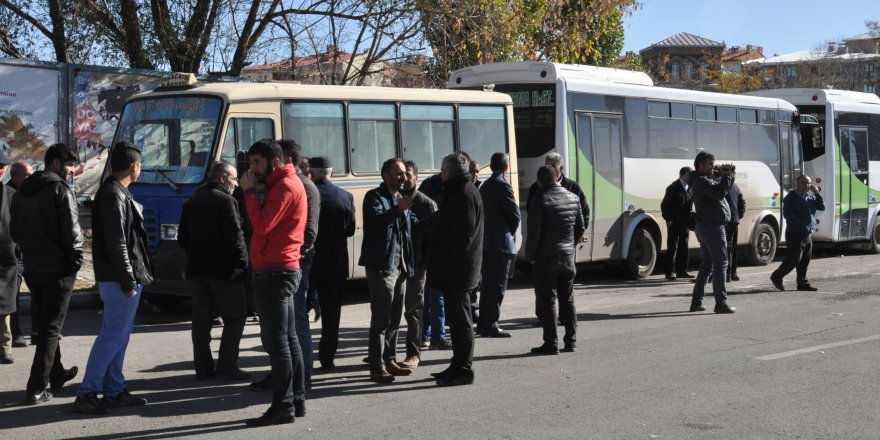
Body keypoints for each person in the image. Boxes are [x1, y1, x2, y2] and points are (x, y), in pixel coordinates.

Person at [74, 142, 154, 414]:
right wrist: (128, 280)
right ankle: (87, 392)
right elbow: (118, 243)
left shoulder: (116, 191)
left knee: (119, 337)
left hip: (122, 277)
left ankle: (114, 389)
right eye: (140, 164)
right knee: (112, 337)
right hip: (119, 279)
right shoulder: (113, 195)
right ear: (134, 166)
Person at [240, 139, 307, 426]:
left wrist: (249, 194)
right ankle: (296, 399)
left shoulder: (285, 185)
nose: (253, 169)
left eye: (257, 163)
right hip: (280, 268)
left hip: (276, 271)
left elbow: (263, 224)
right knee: (288, 340)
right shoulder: (282, 182)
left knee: (278, 343)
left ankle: (283, 406)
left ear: (275, 162)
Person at [11, 144, 81, 405]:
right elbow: (73, 233)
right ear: (55, 163)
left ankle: (56, 372)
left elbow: (15, 231)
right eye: (70, 166)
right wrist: (74, 263)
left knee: (46, 324)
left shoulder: (21, 193)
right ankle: (37, 387)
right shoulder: (59, 189)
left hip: (33, 267)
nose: (72, 171)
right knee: (51, 328)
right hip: (57, 269)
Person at [178, 161, 249, 381]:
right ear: (222, 178)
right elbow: (236, 239)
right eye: (234, 179)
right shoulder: (227, 202)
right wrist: (244, 264)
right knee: (236, 317)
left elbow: (182, 238)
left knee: (201, 322)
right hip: (224, 272)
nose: (236, 184)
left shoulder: (193, 200)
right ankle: (227, 365)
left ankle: (203, 368)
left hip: (198, 270)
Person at [428, 152, 484, 387]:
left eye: (442, 171)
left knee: (461, 321)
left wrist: (442, 246)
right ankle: (457, 364)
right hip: (455, 268)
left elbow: (463, 235)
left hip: (459, 269)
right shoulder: (458, 191)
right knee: (456, 319)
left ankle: (464, 369)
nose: (441, 175)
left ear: (449, 172)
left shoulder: (464, 193)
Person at [360, 158, 416, 383]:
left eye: (404, 173)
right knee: (381, 320)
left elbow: (408, 229)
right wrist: (397, 210)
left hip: (400, 266)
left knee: (394, 319)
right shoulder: (374, 197)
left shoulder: (400, 198)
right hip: (382, 266)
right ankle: (377, 367)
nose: (403, 177)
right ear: (386, 176)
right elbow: (375, 224)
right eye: (398, 173)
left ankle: (390, 360)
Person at [525, 165, 584, 355]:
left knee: (548, 300)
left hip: (546, 258)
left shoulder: (539, 199)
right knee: (568, 300)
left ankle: (551, 343)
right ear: (557, 177)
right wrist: (569, 245)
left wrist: (530, 256)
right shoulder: (573, 197)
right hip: (567, 257)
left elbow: (534, 233)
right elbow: (580, 227)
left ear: (539, 180)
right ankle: (571, 341)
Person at [308, 156, 355, 371]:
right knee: (331, 315)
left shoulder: (308, 195)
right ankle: (327, 358)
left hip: (309, 262)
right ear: (332, 173)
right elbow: (350, 230)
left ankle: (301, 358)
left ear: (312, 173)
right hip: (336, 264)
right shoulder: (345, 196)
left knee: (298, 312)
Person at [477, 152, 520, 338]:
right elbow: (514, 215)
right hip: (501, 244)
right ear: (506, 167)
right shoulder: (503, 186)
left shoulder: (485, 185)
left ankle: (484, 324)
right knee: (497, 286)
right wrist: (510, 231)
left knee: (487, 285)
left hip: (487, 243)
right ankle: (491, 324)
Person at [399, 160, 437, 369]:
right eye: (401, 174)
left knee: (413, 310)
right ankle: (386, 354)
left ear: (416, 177)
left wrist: (423, 263)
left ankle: (413, 354)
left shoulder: (426, 205)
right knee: (390, 311)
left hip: (417, 264)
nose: (404, 179)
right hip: (394, 263)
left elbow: (434, 240)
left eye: (408, 175)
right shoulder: (392, 199)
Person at [689, 151, 736, 314]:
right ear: (700, 165)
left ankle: (696, 302)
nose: (712, 168)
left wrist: (729, 177)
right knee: (721, 264)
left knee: (707, 266)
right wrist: (726, 176)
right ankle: (721, 303)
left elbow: (720, 190)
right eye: (710, 165)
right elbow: (718, 193)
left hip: (706, 226)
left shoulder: (702, 179)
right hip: (712, 227)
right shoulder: (701, 181)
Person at [771, 175, 825, 292]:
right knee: (794, 259)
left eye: (809, 183)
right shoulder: (790, 198)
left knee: (805, 259)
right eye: (804, 183)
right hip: (795, 233)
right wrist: (801, 225)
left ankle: (802, 283)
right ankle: (777, 276)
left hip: (807, 233)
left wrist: (817, 194)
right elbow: (788, 215)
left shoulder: (810, 197)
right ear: (798, 184)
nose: (807, 186)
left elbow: (822, 207)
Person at [7, 161, 32, 349]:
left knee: (39, 292)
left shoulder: (31, 192)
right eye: (28, 175)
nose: (31, 178)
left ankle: (39, 331)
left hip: (31, 252)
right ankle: (15, 333)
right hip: (14, 254)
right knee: (12, 295)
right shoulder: (7, 194)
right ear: (15, 176)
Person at [0, 153, 19, 364]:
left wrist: (17, 251)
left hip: (6, 258)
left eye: (2, 167)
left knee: (4, 306)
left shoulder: (12, 195)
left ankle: (5, 348)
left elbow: (20, 225)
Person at [661, 166, 694, 281]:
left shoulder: (690, 188)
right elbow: (664, 206)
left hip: (685, 222)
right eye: (689, 175)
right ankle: (669, 272)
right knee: (672, 246)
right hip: (674, 222)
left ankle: (682, 271)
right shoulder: (673, 187)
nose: (690, 177)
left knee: (683, 246)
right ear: (682, 175)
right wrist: (669, 220)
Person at [725, 181, 746, 282]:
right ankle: (732, 273)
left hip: (725, 221)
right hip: (734, 220)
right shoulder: (735, 186)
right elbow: (742, 203)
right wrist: (738, 216)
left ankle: (727, 274)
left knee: (726, 248)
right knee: (732, 248)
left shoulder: (720, 185)